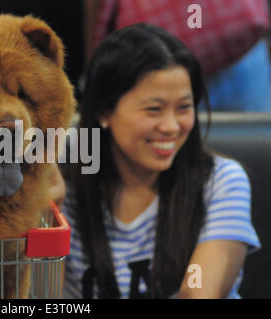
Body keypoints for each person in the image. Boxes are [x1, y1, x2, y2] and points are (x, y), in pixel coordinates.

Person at [56, 23, 260, 299]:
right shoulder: (64, 182)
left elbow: (200, 294)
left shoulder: (221, 182)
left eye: (184, 108)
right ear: (105, 111)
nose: (171, 126)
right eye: (154, 109)